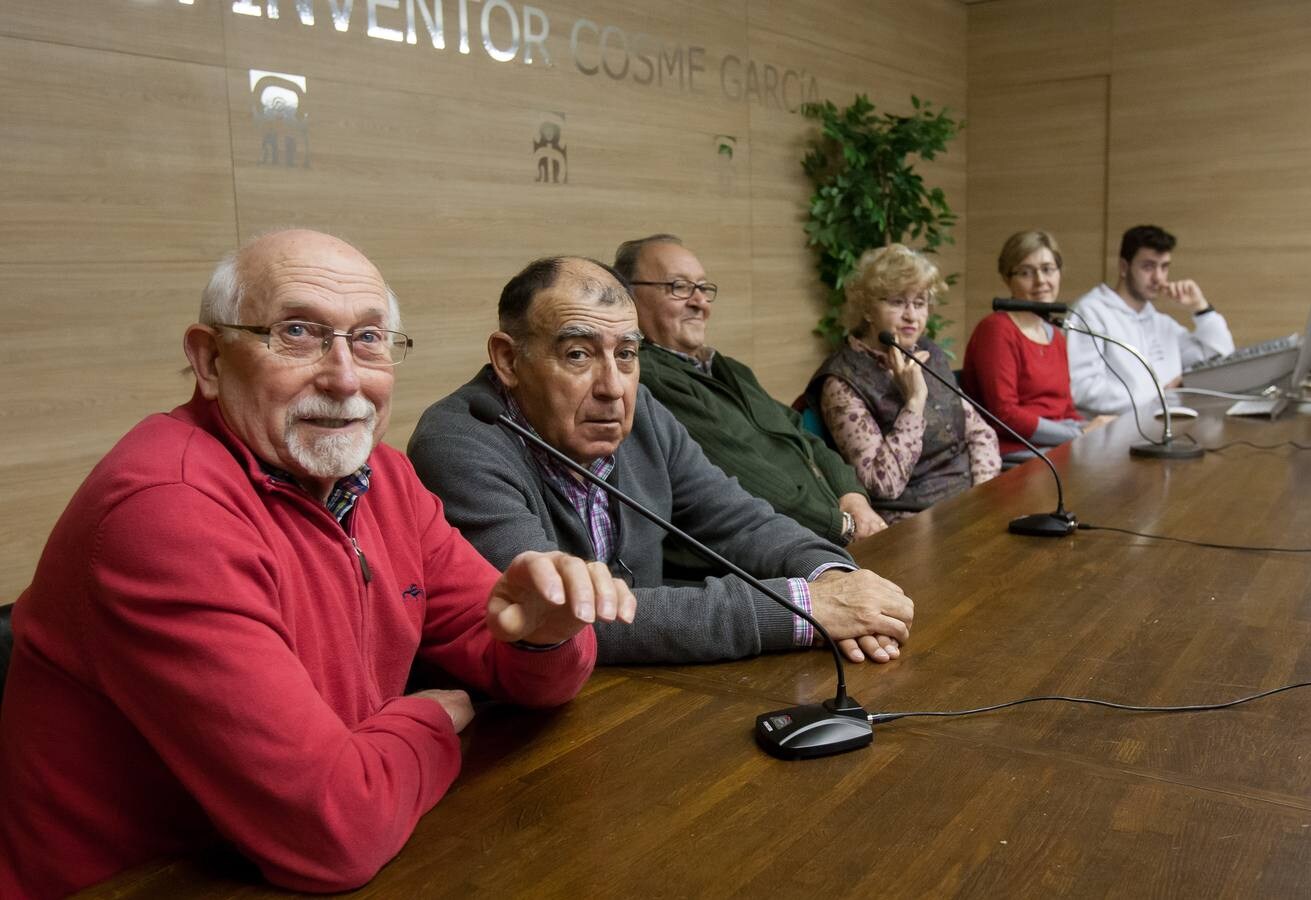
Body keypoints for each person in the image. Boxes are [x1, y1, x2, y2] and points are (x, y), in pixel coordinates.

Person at [0, 230, 635, 899]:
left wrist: (546, 634)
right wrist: (432, 716)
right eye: (298, 332)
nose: (344, 377)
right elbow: (334, 832)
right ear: (210, 360)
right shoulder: (164, 513)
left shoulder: (383, 476)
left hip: (277, 856)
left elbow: (518, 664)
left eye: (368, 338)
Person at [408, 256, 915, 667]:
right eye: (579, 355)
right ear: (508, 360)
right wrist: (803, 611)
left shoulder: (642, 412)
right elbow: (561, 616)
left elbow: (740, 519)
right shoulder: (458, 441)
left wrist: (832, 578)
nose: (612, 388)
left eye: (626, 354)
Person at [612, 234, 887, 547]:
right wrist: (842, 525)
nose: (699, 302)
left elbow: (799, 432)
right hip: (781, 553)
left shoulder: (729, 367)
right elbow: (743, 480)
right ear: (629, 297)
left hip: (832, 530)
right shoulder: (650, 378)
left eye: (703, 288)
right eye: (679, 287)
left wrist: (851, 495)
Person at [803, 244, 1001, 520]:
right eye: (897, 302)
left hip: (968, 503)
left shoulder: (927, 353)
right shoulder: (841, 381)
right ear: (867, 309)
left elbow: (980, 433)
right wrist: (914, 401)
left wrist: (983, 495)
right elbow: (882, 485)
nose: (912, 316)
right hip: (914, 520)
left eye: (919, 303)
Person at [962, 230, 1112, 458]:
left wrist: (1097, 427)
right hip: (1016, 452)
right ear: (1007, 279)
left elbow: (1066, 409)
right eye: (1026, 272)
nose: (1041, 281)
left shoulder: (1055, 334)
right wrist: (1078, 433)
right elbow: (1005, 415)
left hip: (1059, 447)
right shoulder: (996, 329)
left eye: (1047, 269)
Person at [1067, 224, 1235, 416]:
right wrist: (1159, 398)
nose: (1158, 278)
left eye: (1164, 267)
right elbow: (1081, 389)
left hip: (1167, 430)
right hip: (1113, 435)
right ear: (1124, 267)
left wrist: (1201, 308)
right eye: (1148, 267)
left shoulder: (1161, 323)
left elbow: (1220, 359)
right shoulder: (1090, 312)